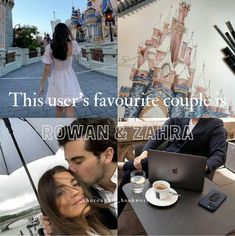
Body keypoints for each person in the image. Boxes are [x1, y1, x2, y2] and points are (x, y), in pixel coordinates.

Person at [118, 118, 227, 215]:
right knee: (130, 175)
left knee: (132, 170)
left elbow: (219, 154)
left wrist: (205, 166)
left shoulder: (215, 124)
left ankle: (125, 166)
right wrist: (144, 152)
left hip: (189, 172)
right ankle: (115, 215)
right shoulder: (178, 117)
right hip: (167, 163)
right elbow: (159, 135)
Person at [44, 118, 117, 235]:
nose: (70, 170)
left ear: (107, 156)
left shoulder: (138, 174)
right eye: (68, 162)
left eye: (78, 161)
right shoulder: (83, 197)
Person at [38, 166, 112, 235]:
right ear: (51, 206)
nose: (75, 191)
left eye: (75, 184)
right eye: (60, 193)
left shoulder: (94, 227)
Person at [39, 23, 83, 117]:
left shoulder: (50, 47)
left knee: (58, 106)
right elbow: (78, 51)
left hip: (56, 77)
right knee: (69, 105)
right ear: (66, 32)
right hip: (69, 76)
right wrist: (71, 34)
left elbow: (47, 68)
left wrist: (42, 84)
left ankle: (59, 128)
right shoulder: (72, 44)